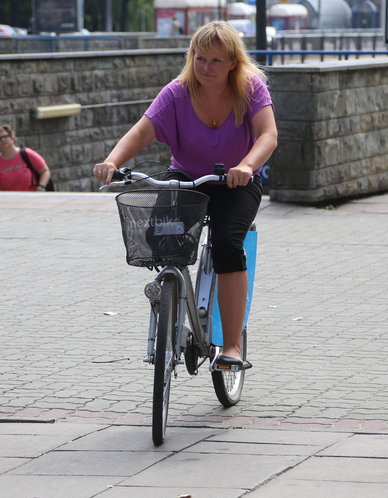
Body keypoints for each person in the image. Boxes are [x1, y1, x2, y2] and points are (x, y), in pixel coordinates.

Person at [93, 20, 277, 370]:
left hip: (235, 180)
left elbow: (268, 135)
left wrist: (247, 165)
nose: (206, 68)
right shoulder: (177, 92)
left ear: (233, 63)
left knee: (226, 246)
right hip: (187, 177)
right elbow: (142, 130)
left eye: (216, 61)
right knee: (159, 236)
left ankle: (231, 346)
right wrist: (113, 161)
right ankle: (175, 299)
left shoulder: (250, 88)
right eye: (200, 58)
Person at [0, 125, 52, 191]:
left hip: (32, 198)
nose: (3, 140)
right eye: (0, 138)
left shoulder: (27, 154)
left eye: (5, 136)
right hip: (11, 200)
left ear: (12, 138)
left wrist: (41, 188)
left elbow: (45, 171)